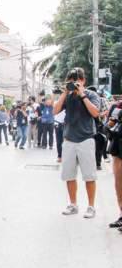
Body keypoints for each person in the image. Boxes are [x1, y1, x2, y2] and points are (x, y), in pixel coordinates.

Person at [53, 68, 101, 219]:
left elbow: (95, 113)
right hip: (69, 139)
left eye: (77, 80)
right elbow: (54, 111)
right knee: (69, 175)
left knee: (89, 176)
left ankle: (91, 206)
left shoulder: (91, 94)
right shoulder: (67, 95)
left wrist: (82, 95)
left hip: (86, 138)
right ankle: (73, 204)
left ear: (83, 81)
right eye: (71, 81)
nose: (74, 83)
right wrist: (65, 92)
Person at [105, 100, 122, 228]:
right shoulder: (118, 106)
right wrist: (111, 122)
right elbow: (108, 125)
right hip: (118, 144)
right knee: (119, 181)